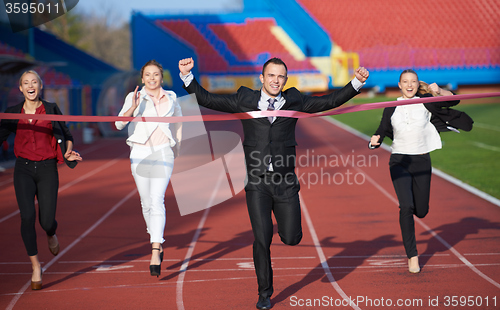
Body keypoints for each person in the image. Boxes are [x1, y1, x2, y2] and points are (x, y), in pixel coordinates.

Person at [178, 57, 369, 309]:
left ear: (285, 80)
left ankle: (288, 231)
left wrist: (356, 82)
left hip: (286, 181)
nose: (276, 81)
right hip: (257, 182)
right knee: (262, 238)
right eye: (271, 76)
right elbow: (208, 99)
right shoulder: (243, 99)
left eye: (280, 77)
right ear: (262, 77)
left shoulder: (295, 101)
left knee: (291, 237)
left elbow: (328, 101)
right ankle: (264, 294)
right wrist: (187, 77)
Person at [368, 69, 473, 274]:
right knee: (406, 206)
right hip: (399, 161)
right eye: (405, 81)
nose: (409, 85)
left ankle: (416, 216)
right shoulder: (392, 106)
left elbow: (454, 101)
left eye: (413, 82)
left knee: (421, 211)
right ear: (399, 85)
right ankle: (412, 256)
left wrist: (439, 90)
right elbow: (382, 129)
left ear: (417, 84)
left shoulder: (425, 100)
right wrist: (375, 141)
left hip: (422, 161)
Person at [0, 70, 82, 290]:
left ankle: (51, 232)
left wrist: (67, 151)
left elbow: (67, 136)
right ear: (20, 88)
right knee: (27, 217)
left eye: (34, 81)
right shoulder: (13, 112)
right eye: (25, 82)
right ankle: (36, 266)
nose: (30, 85)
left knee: (45, 221)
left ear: (40, 85)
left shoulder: (51, 109)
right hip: (23, 169)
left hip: (47, 169)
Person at [115, 60, 182, 277]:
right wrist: (132, 107)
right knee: (146, 203)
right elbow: (118, 124)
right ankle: (156, 239)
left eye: (156, 75)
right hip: (139, 152)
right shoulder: (134, 97)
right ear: (142, 78)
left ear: (161, 78)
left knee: (157, 199)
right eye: (148, 75)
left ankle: (155, 248)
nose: (152, 78)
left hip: (164, 152)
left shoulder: (171, 97)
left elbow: (179, 123)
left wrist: (177, 148)